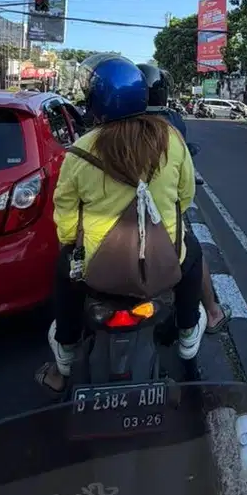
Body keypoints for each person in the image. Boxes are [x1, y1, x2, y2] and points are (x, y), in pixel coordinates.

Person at [35, 56, 206, 396]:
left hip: (97, 270)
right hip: (162, 266)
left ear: (97, 100)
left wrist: (74, 246)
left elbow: (66, 213)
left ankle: (64, 360)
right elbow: (184, 198)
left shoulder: (80, 151)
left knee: (63, 274)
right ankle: (188, 336)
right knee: (194, 255)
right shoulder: (171, 140)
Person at [137, 63, 231, 336]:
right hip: (161, 229)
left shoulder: (96, 137)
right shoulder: (172, 128)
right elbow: (185, 192)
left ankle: (65, 359)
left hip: (104, 237)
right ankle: (211, 314)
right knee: (192, 251)